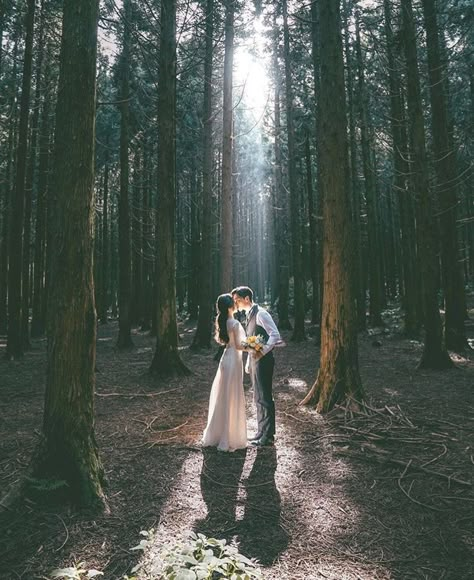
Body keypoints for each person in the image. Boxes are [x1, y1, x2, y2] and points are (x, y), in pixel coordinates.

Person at [232, 286, 281, 447]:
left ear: (247, 298)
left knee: (265, 397)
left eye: (237, 300)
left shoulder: (261, 313)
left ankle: (268, 436)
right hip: (255, 361)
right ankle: (261, 431)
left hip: (264, 361)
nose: (236, 303)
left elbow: (275, 335)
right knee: (257, 397)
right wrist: (248, 361)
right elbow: (252, 341)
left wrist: (262, 352)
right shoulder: (249, 314)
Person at [202, 293, 248, 452]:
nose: (236, 305)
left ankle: (218, 433)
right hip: (233, 361)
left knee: (224, 395)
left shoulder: (223, 321)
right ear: (230, 307)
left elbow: (229, 343)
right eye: (233, 304)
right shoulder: (234, 323)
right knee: (232, 395)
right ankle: (229, 436)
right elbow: (240, 346)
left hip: (225, 359)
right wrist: (254, 345)